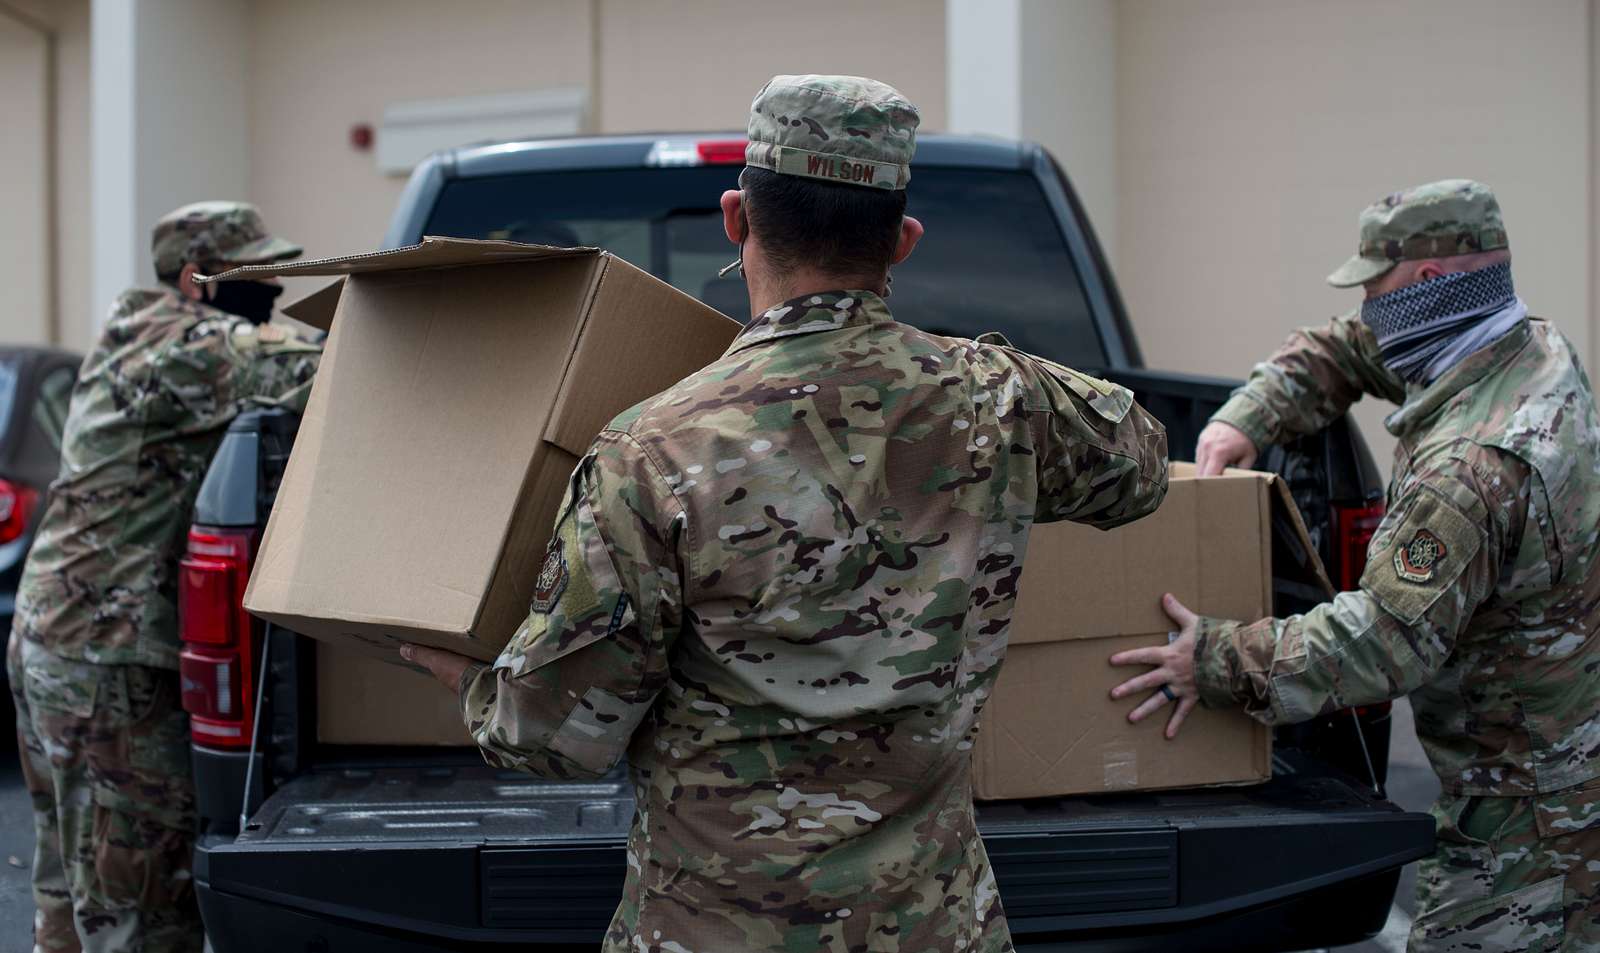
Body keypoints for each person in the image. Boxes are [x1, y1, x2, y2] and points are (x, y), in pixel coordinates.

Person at [404, 74, 1169, 952]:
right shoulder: (1001, 402)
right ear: (904, 241)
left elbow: (559, 738)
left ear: (736, 218)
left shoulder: (651, 450)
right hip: (933, 929)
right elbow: (1140, 463)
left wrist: (467, 679)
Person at [1108, 180, 1599, 951]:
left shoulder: (1472, 464)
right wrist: (1248, 417)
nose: (1369, 303)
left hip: (1534, 821)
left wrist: (1213, 657)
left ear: (1432, 282)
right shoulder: (1518, 344)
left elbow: (1382, 640)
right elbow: (1343, 349)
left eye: (1377, 283)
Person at [7, 201, 322, 953]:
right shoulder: (185, 344)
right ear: (196, 279)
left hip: (54, 641)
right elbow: (329, 374)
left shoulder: (133, 332)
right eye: (255, 275)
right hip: (104, 657)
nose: (270, 291)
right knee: (141, 906)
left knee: (69, 885)